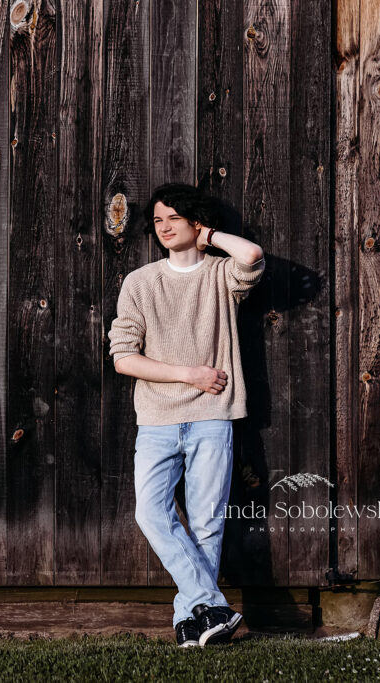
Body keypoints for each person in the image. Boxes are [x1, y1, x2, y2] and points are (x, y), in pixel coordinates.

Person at [107, 182, 265, 648]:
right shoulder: (139, 282)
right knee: (151, 513)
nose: (164, 227)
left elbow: (252, 255)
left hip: (213, 416)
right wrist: (188, 374)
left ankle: (190, 622)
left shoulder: (219, 275)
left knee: (207, 522)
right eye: (157, 220)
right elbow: (123, 358)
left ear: (195, 221)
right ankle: (211, 605)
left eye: (173, 217)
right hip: (156, 419)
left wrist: (209, 237)